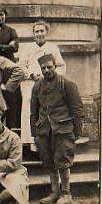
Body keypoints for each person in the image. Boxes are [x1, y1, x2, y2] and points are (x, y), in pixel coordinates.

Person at [31, 53, 83, 204]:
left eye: (49, 67)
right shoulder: (37, 86)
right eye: (43, 68)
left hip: (63, 129)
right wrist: (34, 133)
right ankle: (54, 192)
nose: (46, 70)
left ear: (55, 66)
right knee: (48, 161)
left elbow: (77, 108)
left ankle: (66, 193)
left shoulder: (67, 84)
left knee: (63, 161)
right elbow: (34, 111)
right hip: (44, 131)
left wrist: (77, 131)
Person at [19, 20, 66, 148]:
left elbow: (61, 66)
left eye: (42, 31)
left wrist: (49, 75)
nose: (39, 33)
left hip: (48, 83)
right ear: (33, 33)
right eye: (37, 31)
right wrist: (31, 75)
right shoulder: (27, 48)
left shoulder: (52, 48)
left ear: (46, 32)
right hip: (30, 83)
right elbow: (21, 67)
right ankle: (30, 142)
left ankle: (47, 142)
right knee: (30, 108)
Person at [0, 5, 21, 129]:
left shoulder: (11, 31)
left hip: (9, 68)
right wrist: (6, 46)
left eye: (2, 14)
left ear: (5, 15)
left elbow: (15, 47)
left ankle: (13, 127)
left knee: (11, 97)